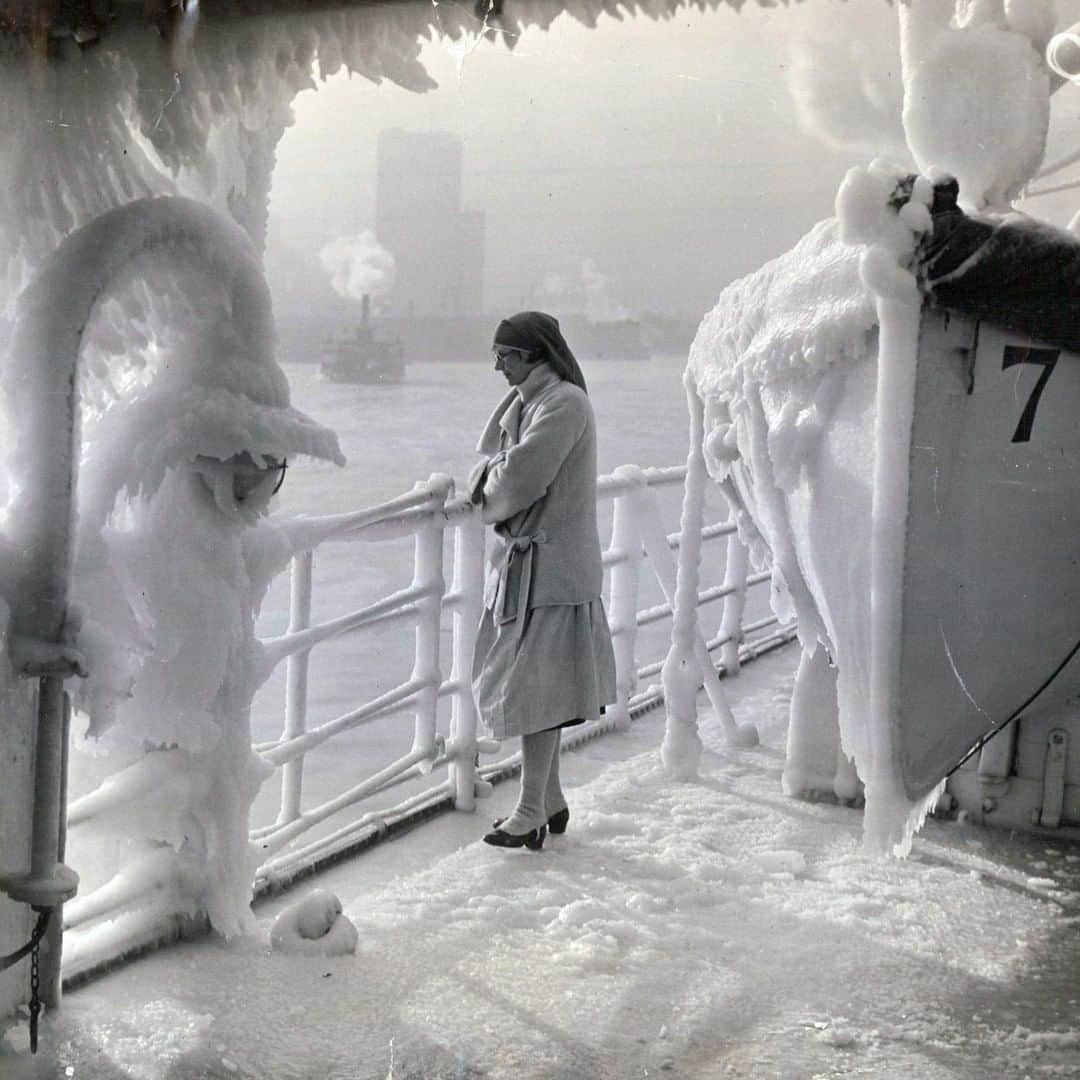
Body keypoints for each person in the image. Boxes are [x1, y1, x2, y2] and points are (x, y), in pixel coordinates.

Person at [469, 311, 616, 850]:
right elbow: (502, 465)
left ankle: (531, 808)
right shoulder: (533, 402)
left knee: (537, 689)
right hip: (534, 568)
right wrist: (494, 475)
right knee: (539, 685)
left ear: (535, 355)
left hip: (552, 570)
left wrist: (485, 484)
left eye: (506, 356)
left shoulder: (563, 404)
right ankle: (548, 800)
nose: (498, 366)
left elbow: (521, 477)